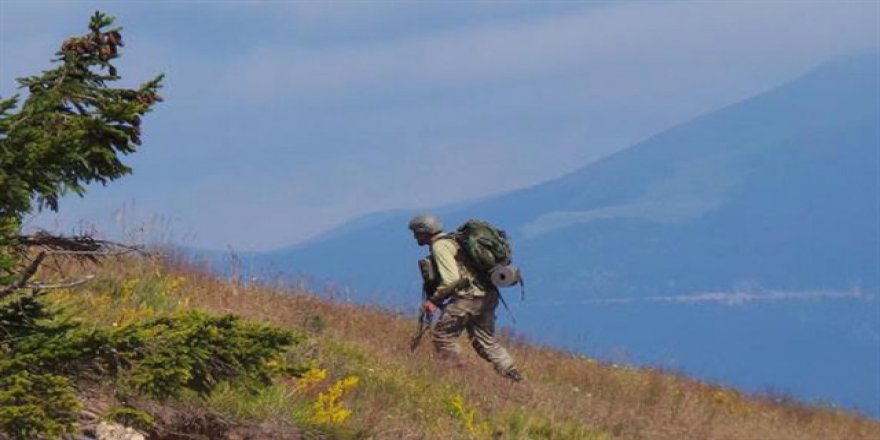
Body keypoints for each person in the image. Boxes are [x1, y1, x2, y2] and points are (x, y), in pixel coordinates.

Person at [408, 213, 524, 382]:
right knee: (485, 341)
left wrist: (434, 300)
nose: (414, 237)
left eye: (416, 233)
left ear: (424, 231)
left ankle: (459, 376)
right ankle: (513, 376)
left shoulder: (440, 246)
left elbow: (452, 278)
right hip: (488, 295)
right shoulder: (456, 240)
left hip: (467, 299)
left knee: (443, 335)